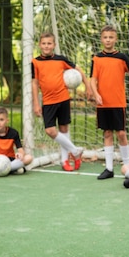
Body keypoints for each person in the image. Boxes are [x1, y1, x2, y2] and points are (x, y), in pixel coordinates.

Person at [91, 25, 129, 179]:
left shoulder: (122, 57)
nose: (108, 40)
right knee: (107, 133)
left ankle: (127, 165)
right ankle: (109, 169)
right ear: (101, 39)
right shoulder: (96, 58)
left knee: (121, 133)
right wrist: (95, 93)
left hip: (118, 103)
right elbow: (92, 79)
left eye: (111, 37)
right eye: (105, 37)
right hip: (103, 103)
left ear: (115, 39)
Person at [32, 32, 92, 171]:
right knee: (50, 130)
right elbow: (35, 83)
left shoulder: (61, 60)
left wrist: (87, 86)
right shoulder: (35, 62)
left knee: (64, 129)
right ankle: (75, 151)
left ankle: (65, 161)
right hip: (48, 101)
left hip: (63, 99)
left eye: (49, 43)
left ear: (54, 45)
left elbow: (79, 71)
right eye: (44, 43)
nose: (46, 46)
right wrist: (36, 103)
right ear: (40, 45)